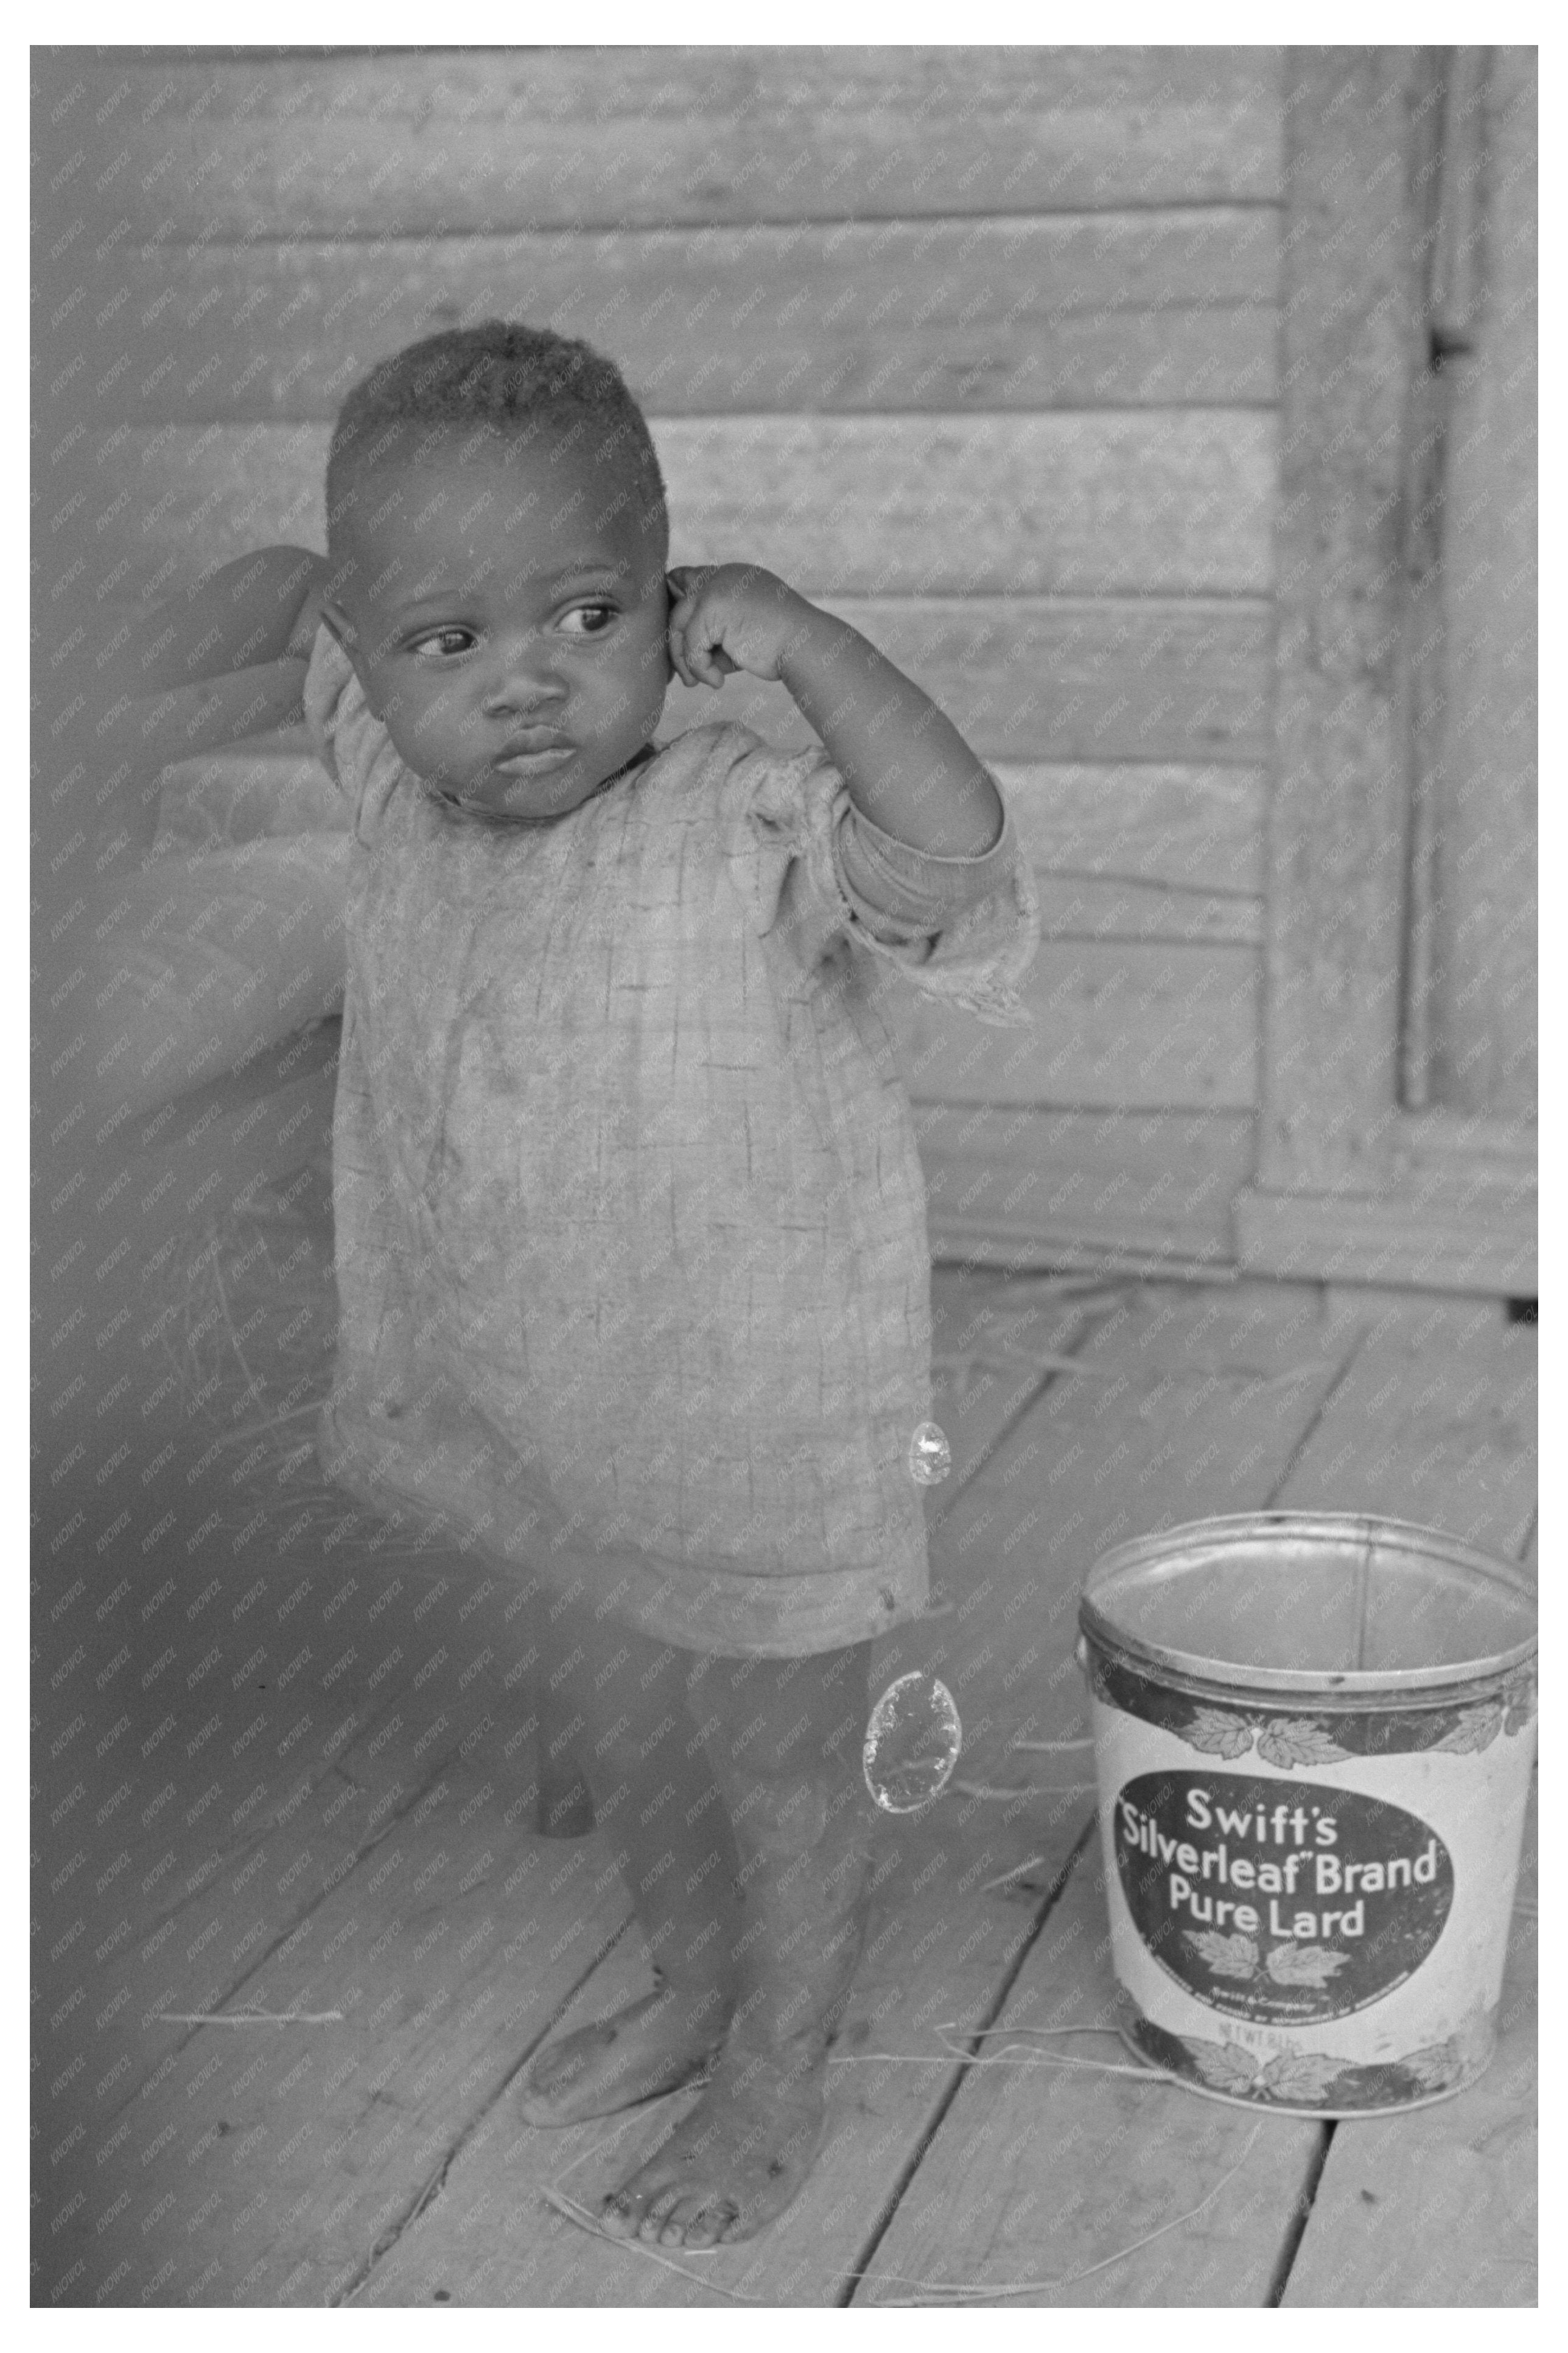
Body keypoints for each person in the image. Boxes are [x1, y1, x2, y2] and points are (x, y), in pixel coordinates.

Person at [122, 322, 1038, 2250]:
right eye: (450, 641)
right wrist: (211, 628)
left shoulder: (742, 816)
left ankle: (780, 2060)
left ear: (675, 597)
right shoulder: (392, 775)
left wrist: (797, 640)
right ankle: (695, 1983)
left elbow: (952, 848)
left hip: (761, 1408)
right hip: (539, 1412)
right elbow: (287, 597)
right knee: (620, 1715)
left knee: (777, 1749)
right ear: (371, 667)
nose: (528, 681)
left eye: (590, 611)